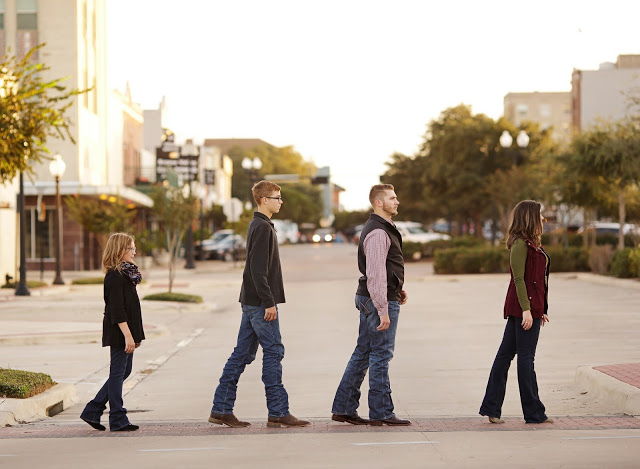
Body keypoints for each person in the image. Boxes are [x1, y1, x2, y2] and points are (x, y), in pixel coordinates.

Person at [208, 180, 309, 428]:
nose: (280, 201)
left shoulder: (259, 224)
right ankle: (277, 411)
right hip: (259, 303)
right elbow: (257, 269)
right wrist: (269, 302)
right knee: (274, 351)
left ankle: (221, 409)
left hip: (250, 301)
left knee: (241, 354)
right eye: (277, 197)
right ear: (264, 200)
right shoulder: (262, 227)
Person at [331, 184, 410, 426]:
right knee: (381, 355)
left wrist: (397, 289)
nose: (397, 202)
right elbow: (375, 274)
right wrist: (383, 307)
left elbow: (383, 269)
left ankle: (343, 408)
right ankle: (382, 412)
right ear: (378, 203)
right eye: (392, 198)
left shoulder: (383, 228)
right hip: (377, 300)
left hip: (375, 296)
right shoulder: (378, 232)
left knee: (364, 352)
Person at [479, 200, 553, 424]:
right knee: (525, 359)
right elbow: (518, 279)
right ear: (530, 217)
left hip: (528, 308)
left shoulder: (531, 244)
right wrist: (528, 310)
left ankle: (492, 408)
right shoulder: (521, 244)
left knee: (504, 356)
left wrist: (542, 309)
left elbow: (539, 281)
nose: (543, 219)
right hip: (523, 309)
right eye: (540, 214)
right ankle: (534, 413)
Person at [80, 232, 144, 432]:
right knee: (118, 373)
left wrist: (136, 334)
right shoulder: (115, 277)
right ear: (120, 250)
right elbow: (117, 310)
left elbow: (131, 307)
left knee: (124, 371)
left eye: (134, 247)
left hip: (126, 331)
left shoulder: (127, 274)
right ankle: (117, 418)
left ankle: (93, 409)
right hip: (119, 331)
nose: (134, 251)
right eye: (131, 248)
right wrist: (127, 336)